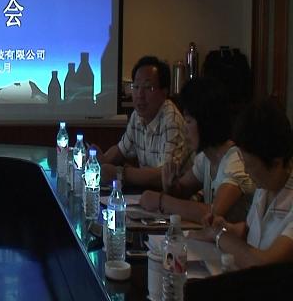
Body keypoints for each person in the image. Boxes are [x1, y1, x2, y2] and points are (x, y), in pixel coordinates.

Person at [190, 99, 293, 268]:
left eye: (250, 164)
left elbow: (265, 263)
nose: (245, 170)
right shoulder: (265, 186)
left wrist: (218, 236)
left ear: (276, 163)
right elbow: (253, 234)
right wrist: (226, 228)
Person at [139, 78, 255, 223]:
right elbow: (182, 191)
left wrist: (161, 201)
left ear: (206, 122)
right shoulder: (205, 158)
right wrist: (170, 186)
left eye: (188, 121)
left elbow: (214, 213)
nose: (184, 128)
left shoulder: (235, 160)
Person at [99, 56, 191, 189]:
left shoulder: (172, 121)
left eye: (148, 88)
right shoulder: (138, 115)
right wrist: (100, 160)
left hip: (177, 196)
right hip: (149, 193)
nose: (140, 95)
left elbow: (164, 176)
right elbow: (120, 150)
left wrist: (121, 174)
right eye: (136, 87)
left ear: (164, 92)